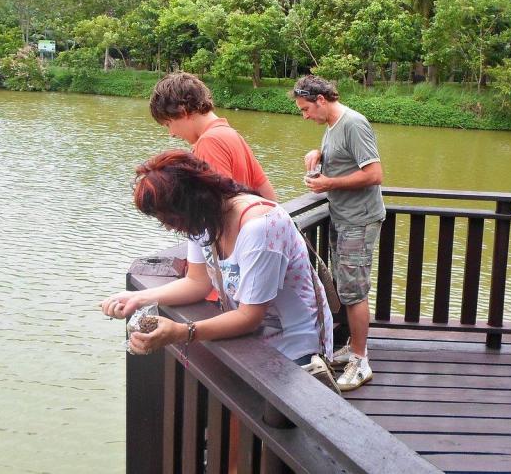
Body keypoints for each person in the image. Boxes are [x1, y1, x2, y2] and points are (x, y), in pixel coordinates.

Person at [101, 150, 333, 365]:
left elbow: (249, 316)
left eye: (170, 219)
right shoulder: (203, 220)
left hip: (297, 347)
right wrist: (137, 298)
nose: (170, 228)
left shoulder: (260, 227)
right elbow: (197, 283)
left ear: (191, 203)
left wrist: (181, 332)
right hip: (252, 342)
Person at [291, 75, 385, 391]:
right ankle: (355, 348)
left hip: (359, 220)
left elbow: (374, 174)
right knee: (346, 288)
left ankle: (361, 362)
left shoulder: (353, 123)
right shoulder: (334, 126)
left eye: (306, 109)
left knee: (355, 292)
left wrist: (329, 183)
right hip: (344, 218)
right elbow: (346, 157)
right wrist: (318, 155)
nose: (304, 116)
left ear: (321, 100)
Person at [149, 72, 276, 201]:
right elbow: (266, 192)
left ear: (183, 112)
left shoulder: (208, 143)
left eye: (168, 124)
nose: (171, 134)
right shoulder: (231, 134)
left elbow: (218, 206)